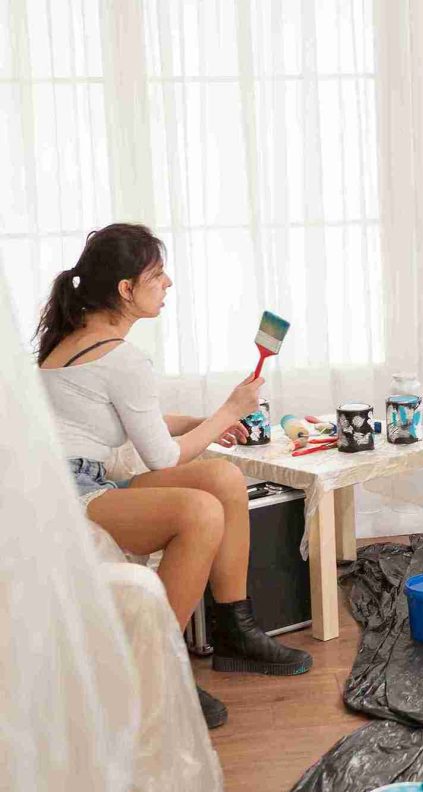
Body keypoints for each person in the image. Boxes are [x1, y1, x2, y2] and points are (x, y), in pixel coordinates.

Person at [36, 223, 313, 729]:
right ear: (126, 289)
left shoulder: (75, 341)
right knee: (199, 511)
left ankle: (235, 630)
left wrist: (204, 424)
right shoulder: (121, 358)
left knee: (223, 480)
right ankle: (156, 673)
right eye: (157, 276)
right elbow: (163, 459)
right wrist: (228, 410)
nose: (168, 285)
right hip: (64, 497)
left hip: (75, 481)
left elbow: (133, 422)